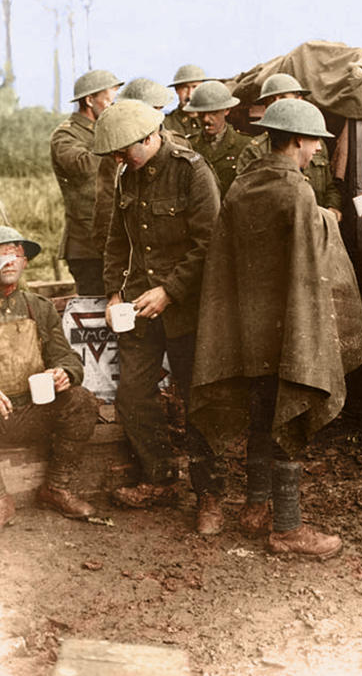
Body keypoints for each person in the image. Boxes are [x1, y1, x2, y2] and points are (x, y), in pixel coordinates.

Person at [191, 98, 362, 556]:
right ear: (296, 140)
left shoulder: (241, 186)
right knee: (288, 410)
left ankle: (255, 504)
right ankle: (287, 528)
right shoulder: (297, 192)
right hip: (287, 328)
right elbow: (311, 268)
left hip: (247, 333)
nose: (315, 152)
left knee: (260, 408)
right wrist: (327, 223)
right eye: (313, 143)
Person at [96, 100, 225, 534]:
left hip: (186, 308)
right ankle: (161, 477)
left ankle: (209, 495)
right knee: (132, 394)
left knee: (198, 401)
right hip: (138, 307)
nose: (118, 161)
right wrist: (115, 291)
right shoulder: (124, 175)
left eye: (122, 152)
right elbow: (118, 238)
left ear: (150, 138)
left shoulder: (192, 171)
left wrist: (170, 291)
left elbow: (209, 244)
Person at [0, 226, 98, 524]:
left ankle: (56, 488)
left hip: (30, 411)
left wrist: (64, 373)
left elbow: (67, 357)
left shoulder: (40, 309)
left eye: (16, 253)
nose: (9, 260)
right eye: (1, 253)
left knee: (81, 401)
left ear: (25, 262)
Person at [92, 79, 189, 256]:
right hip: (132, 248)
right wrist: (107, 250)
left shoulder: (179, 144)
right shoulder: (117, 151)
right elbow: (107, 205)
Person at [50, 69, 123, 295]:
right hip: (87, 247)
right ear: (90, 101)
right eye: (109, 101)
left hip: (113, 238)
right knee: (94, 310)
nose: (114, 107)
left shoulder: (104, 131)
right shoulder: (65, 136)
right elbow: (83, 165)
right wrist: (115, 144)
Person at [236, 73, 342, 220]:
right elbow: (245, 200)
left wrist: (333, 207)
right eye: (271, 100)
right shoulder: (255, 149)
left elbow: (329, 186)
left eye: (283, 97)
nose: (277, 103)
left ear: (299, 99)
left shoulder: (316, 143)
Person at [183, 80, 251, 195]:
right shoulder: (188, 146)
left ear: (227, 110)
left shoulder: (245, 145)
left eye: (213, 113)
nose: (205, 119)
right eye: (201, 113)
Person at [165, 64, 207, 140]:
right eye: (185, 88)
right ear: (177, 90)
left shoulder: (214, 121)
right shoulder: (165, 125)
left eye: (195, 87)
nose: (190, 95)